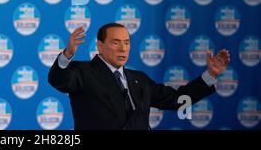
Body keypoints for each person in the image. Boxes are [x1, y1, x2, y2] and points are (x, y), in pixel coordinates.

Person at [48, 23, 230, 130]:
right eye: (116, 42)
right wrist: (67, 55)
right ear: (100, 46)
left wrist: (210, 75)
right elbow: (58, 79)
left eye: (126, 43)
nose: (123, 48)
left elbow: (177, 100)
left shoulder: (139, 79)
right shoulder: (83, 72)